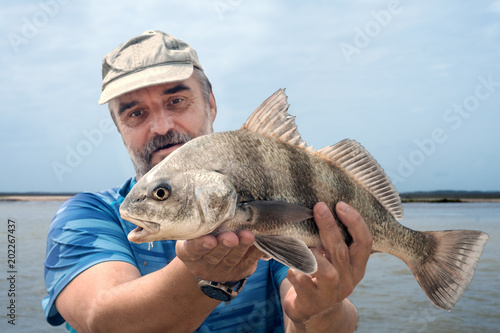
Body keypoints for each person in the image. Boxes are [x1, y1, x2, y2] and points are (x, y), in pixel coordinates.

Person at [43, 30, 373, 332]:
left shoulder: (263, 207)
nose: (160, 126)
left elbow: (313, 317)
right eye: (135, 113)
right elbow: (102, 320)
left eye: (176, 101)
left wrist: (319, 310)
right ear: (120, 129)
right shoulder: (86, 217)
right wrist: (204, 276)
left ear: (210, 105)